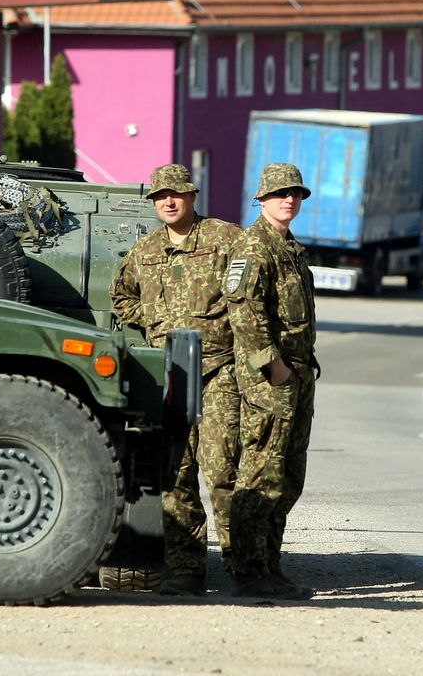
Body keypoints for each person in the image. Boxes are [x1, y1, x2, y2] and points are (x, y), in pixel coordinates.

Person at [110, 163, 242, 596]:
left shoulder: (225, 239)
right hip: (170, 375)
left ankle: (245, 567)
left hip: (218, 369)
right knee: (175, 476)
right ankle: (185, 570)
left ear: (192, 197)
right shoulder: (145, 250)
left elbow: (253, 288)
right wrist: (151, 318)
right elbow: (120, 295)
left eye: (177, 195)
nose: (168, 202)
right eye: (161, 196)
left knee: (222, 471)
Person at [223, 163, 319, 601]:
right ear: (260, 200)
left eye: (295, 193)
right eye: (280, 194)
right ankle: (247, 571)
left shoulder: (290, 248)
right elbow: (243, 310)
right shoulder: (252, 246)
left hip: (298, 374)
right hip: (270, 379)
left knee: (288, 475)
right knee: (260, 473)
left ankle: (270, 564)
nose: (289, 200)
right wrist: (273, 366)